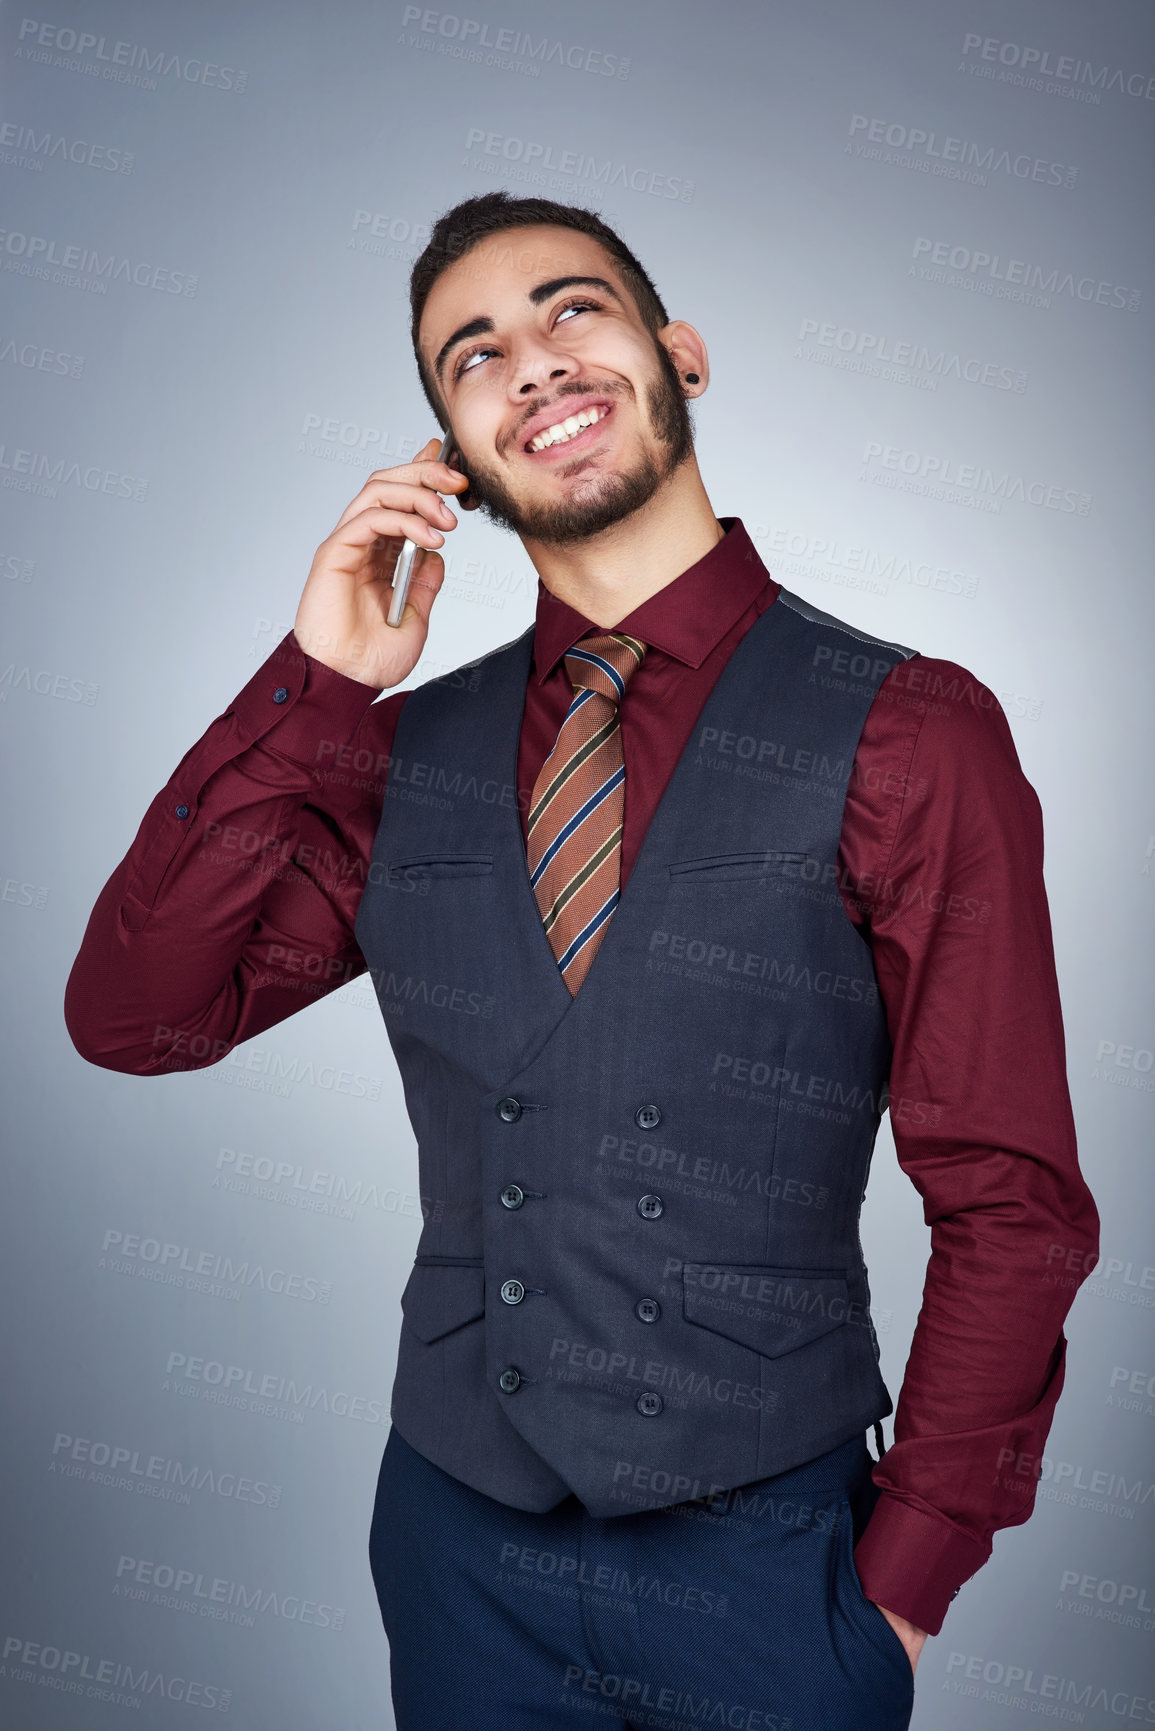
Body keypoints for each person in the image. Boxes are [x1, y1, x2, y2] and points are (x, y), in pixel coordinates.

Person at [66, 192, 1099, 1731]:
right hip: (455, 1550)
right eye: (470, 355)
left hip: (776, 1567)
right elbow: (135, 1018)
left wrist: (905, 1584)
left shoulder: (911, 730)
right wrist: (312, 685)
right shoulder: (398, 752)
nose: (530, 362)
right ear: (455, 464)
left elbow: (1012, 1197)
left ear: (676, 353)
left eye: (572, 310)